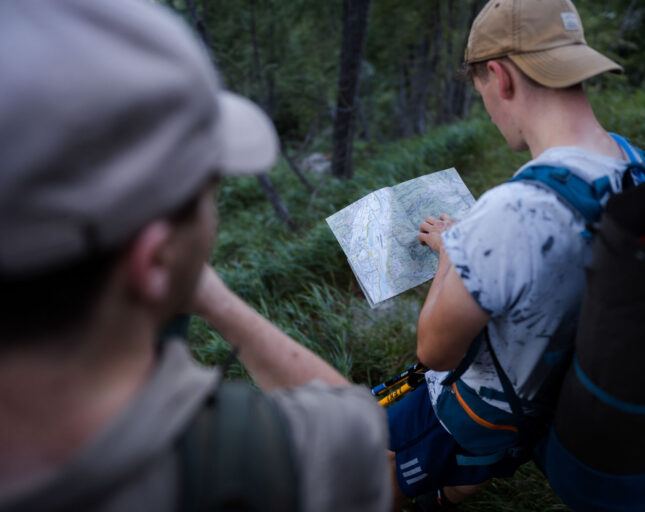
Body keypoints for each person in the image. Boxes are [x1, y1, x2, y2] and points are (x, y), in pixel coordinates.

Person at [0, 1, 389, 511]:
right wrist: (220, 305)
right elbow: (375, 459)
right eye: (210, 191)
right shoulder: (286, 454)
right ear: (153, 259)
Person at [386, 0, 645, 508]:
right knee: (464, 473)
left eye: (481, 89)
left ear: (499, 76)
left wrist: (450, 250)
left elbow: (435, 352)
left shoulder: (511, 212)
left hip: (482, 408)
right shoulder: (634, 165)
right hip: (550, 406)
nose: (486, 105)